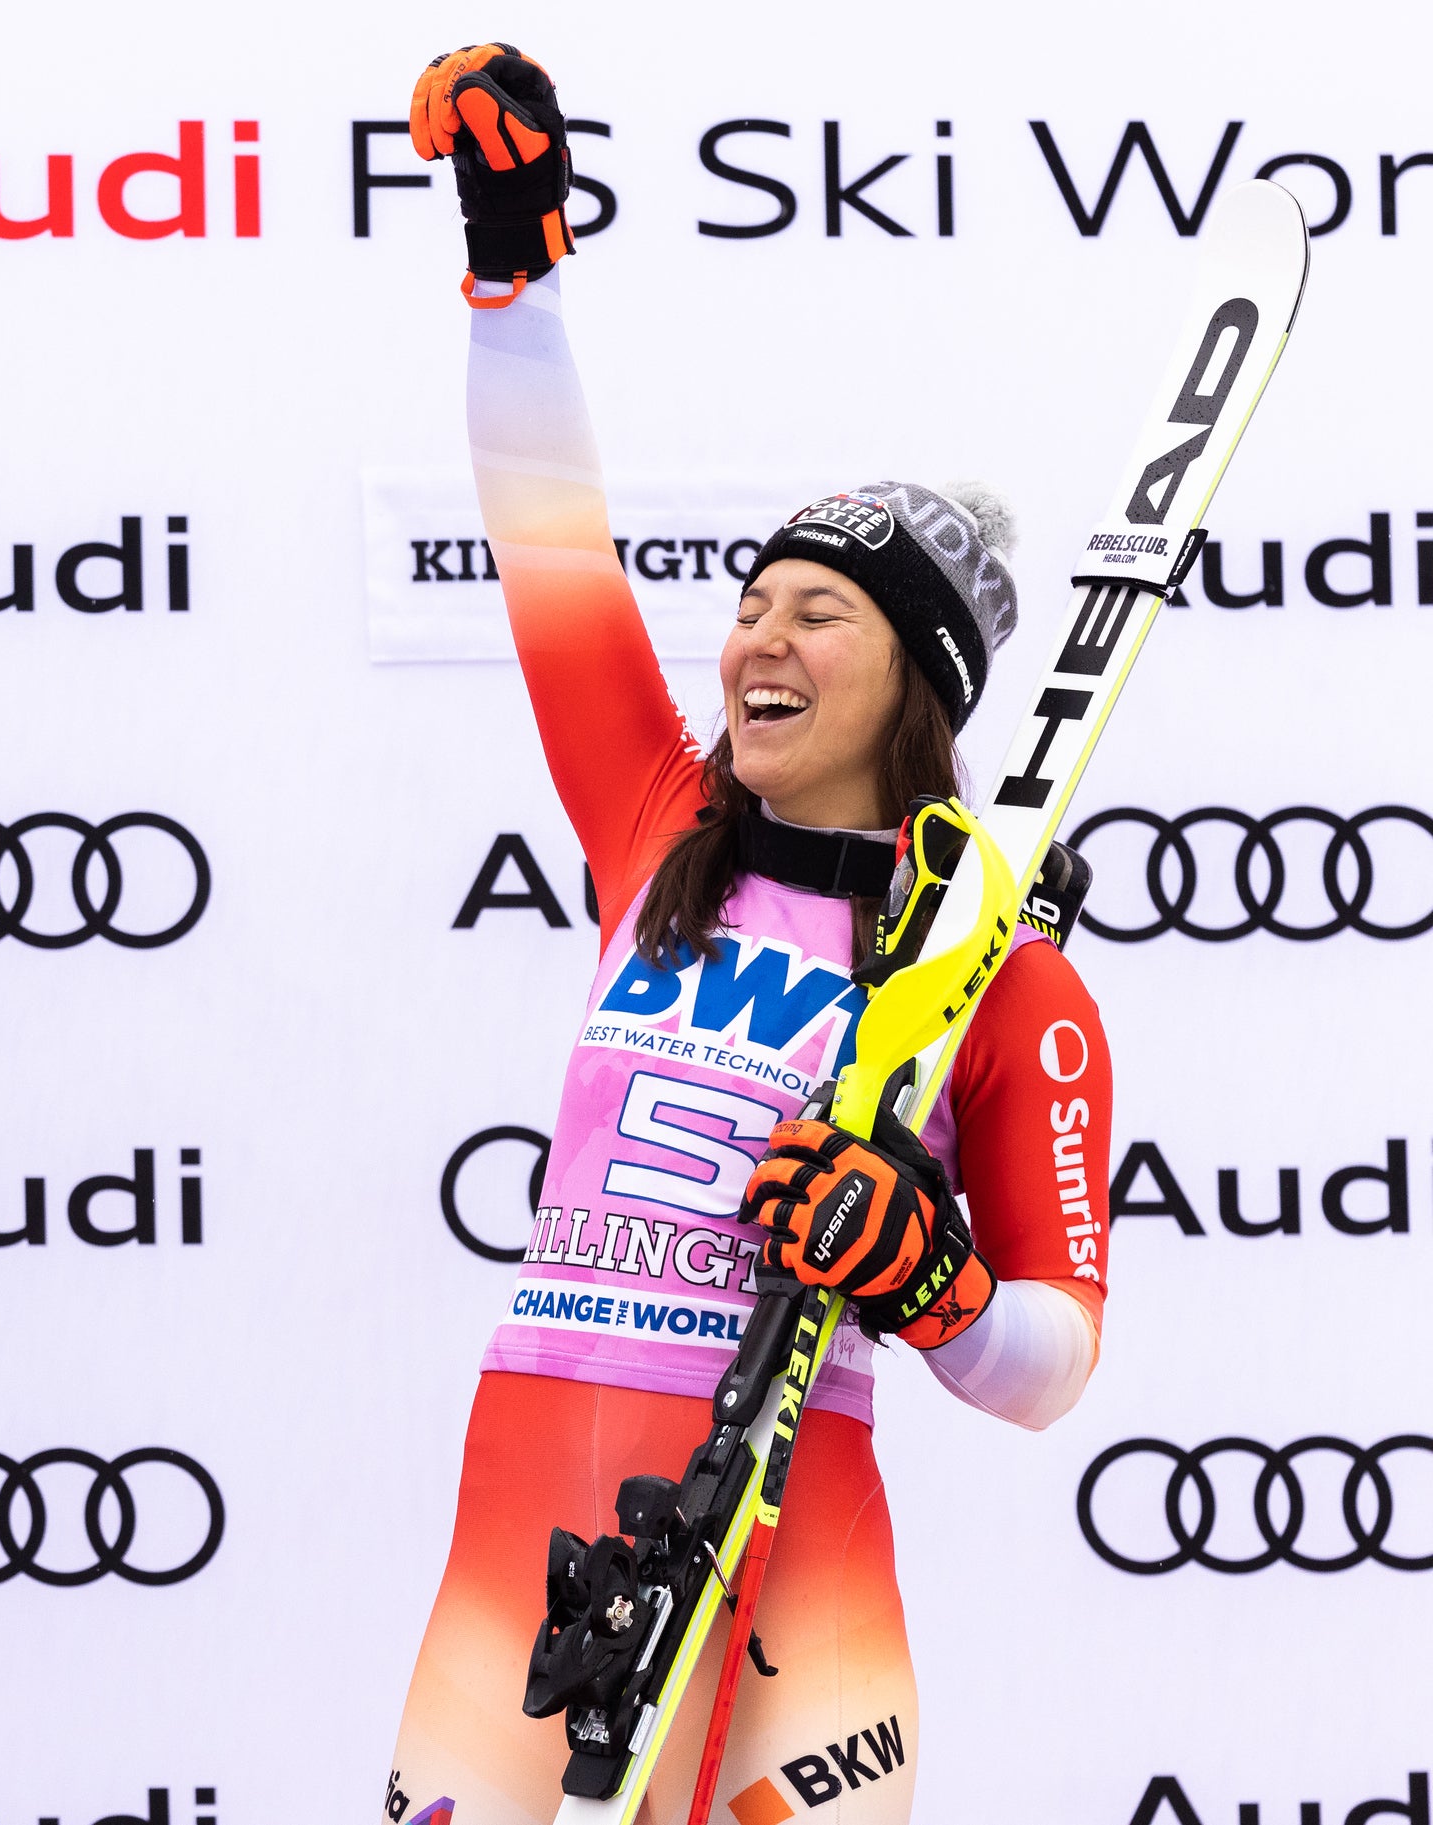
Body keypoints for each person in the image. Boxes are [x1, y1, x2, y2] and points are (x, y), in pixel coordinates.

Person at [383, 48, 1112, 1825]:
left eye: (819, 611)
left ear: (919, 690)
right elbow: (549, 541)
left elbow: (1052, 1359)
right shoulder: (661, 826)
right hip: (533, 1492)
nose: (754, 640)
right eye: (751, 601)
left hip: (792, 1537)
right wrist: (510, 261)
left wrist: (933, 1287)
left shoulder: (1010, 980)